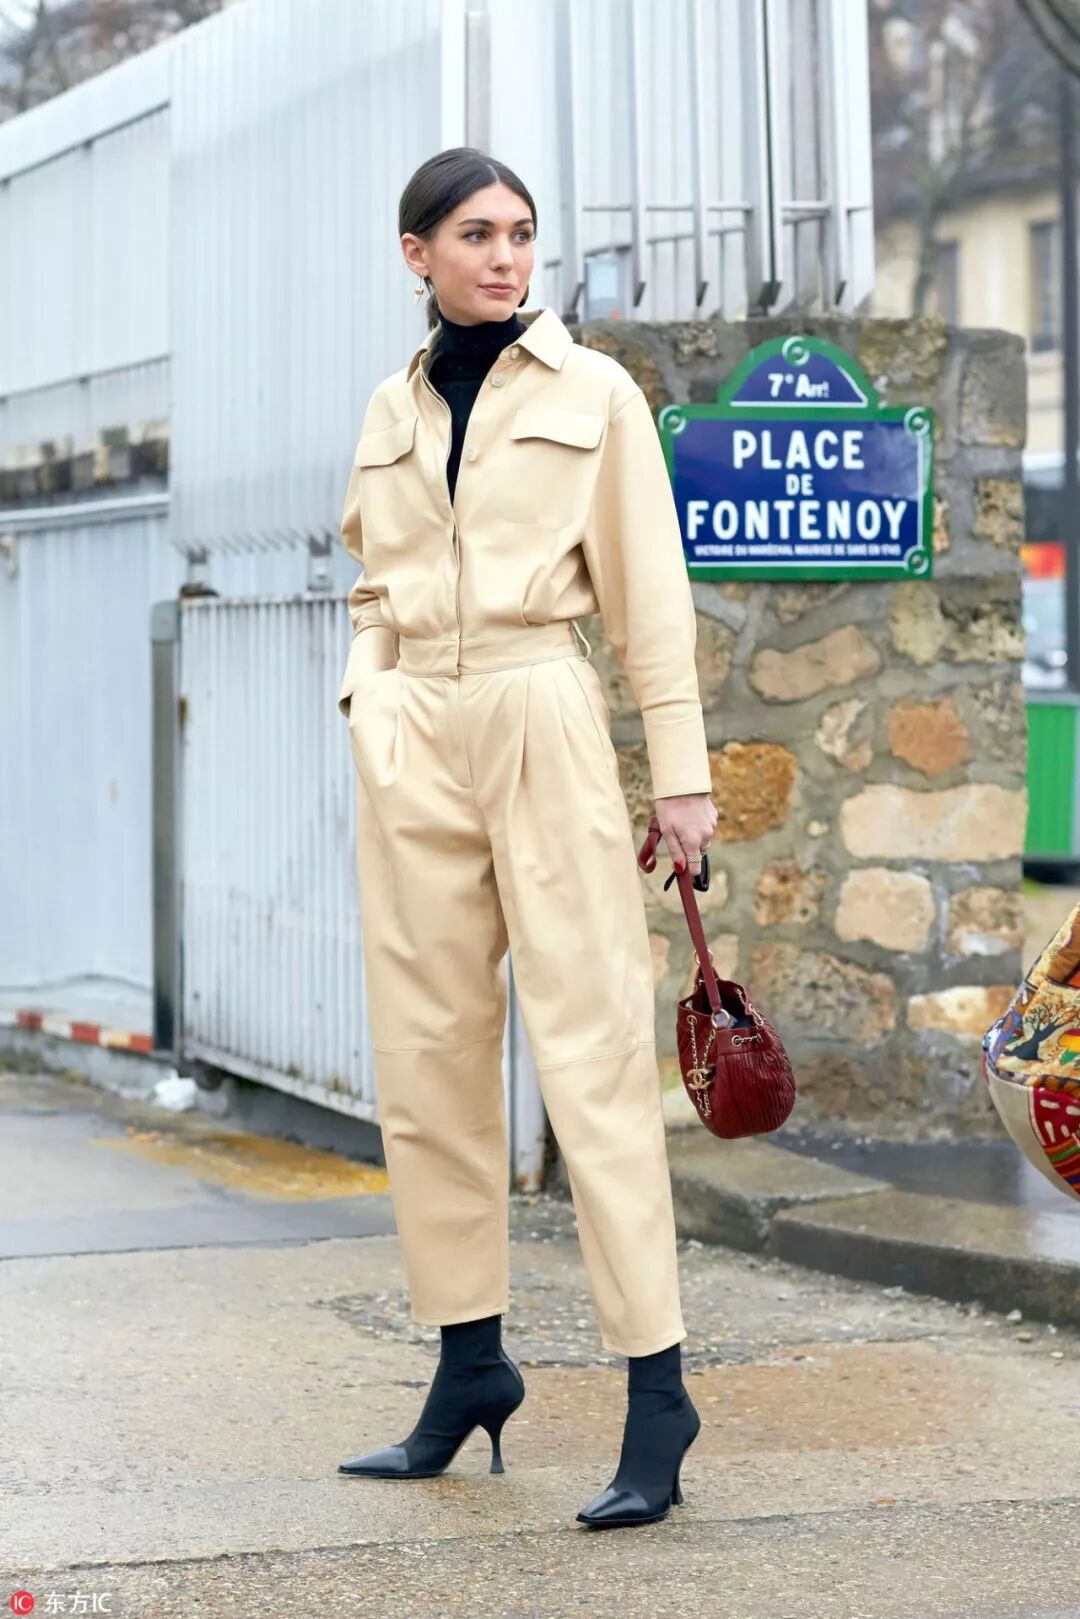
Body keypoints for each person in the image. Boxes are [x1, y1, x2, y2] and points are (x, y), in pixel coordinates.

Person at [335, 147, 717, 1530]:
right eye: (476, 235)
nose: (504, 257)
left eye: (520, 234)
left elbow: (650, 595)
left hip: (538, 703)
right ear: (417, 253)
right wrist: (369, 694)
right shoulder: (389, 406)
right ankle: (467, 1365)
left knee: (593, 1051)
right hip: (415, 734)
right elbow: (370, 575)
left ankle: (658, 1393)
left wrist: (682, 780)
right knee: (426, 1052)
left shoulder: (593, 392)